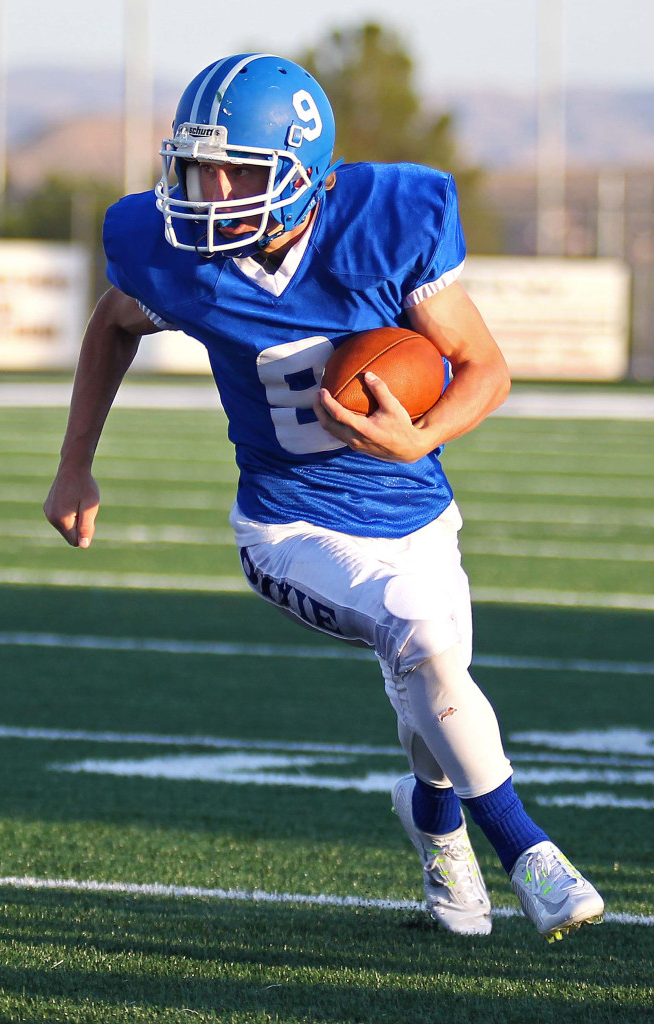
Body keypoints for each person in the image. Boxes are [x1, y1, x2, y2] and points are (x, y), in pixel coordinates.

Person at [44, 52, 604, 941]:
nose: (206, 189)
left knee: (432, 679)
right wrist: (75, 462)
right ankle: (528, 850)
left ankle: (432, 814)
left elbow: (485, 368)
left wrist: (423, 435)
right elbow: (115, 323)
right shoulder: (182, 258)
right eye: (194, 167)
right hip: (288, 524)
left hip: (416, 513)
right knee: (418, 635)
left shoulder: (383, 226)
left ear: (304, 179)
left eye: (235, 171)